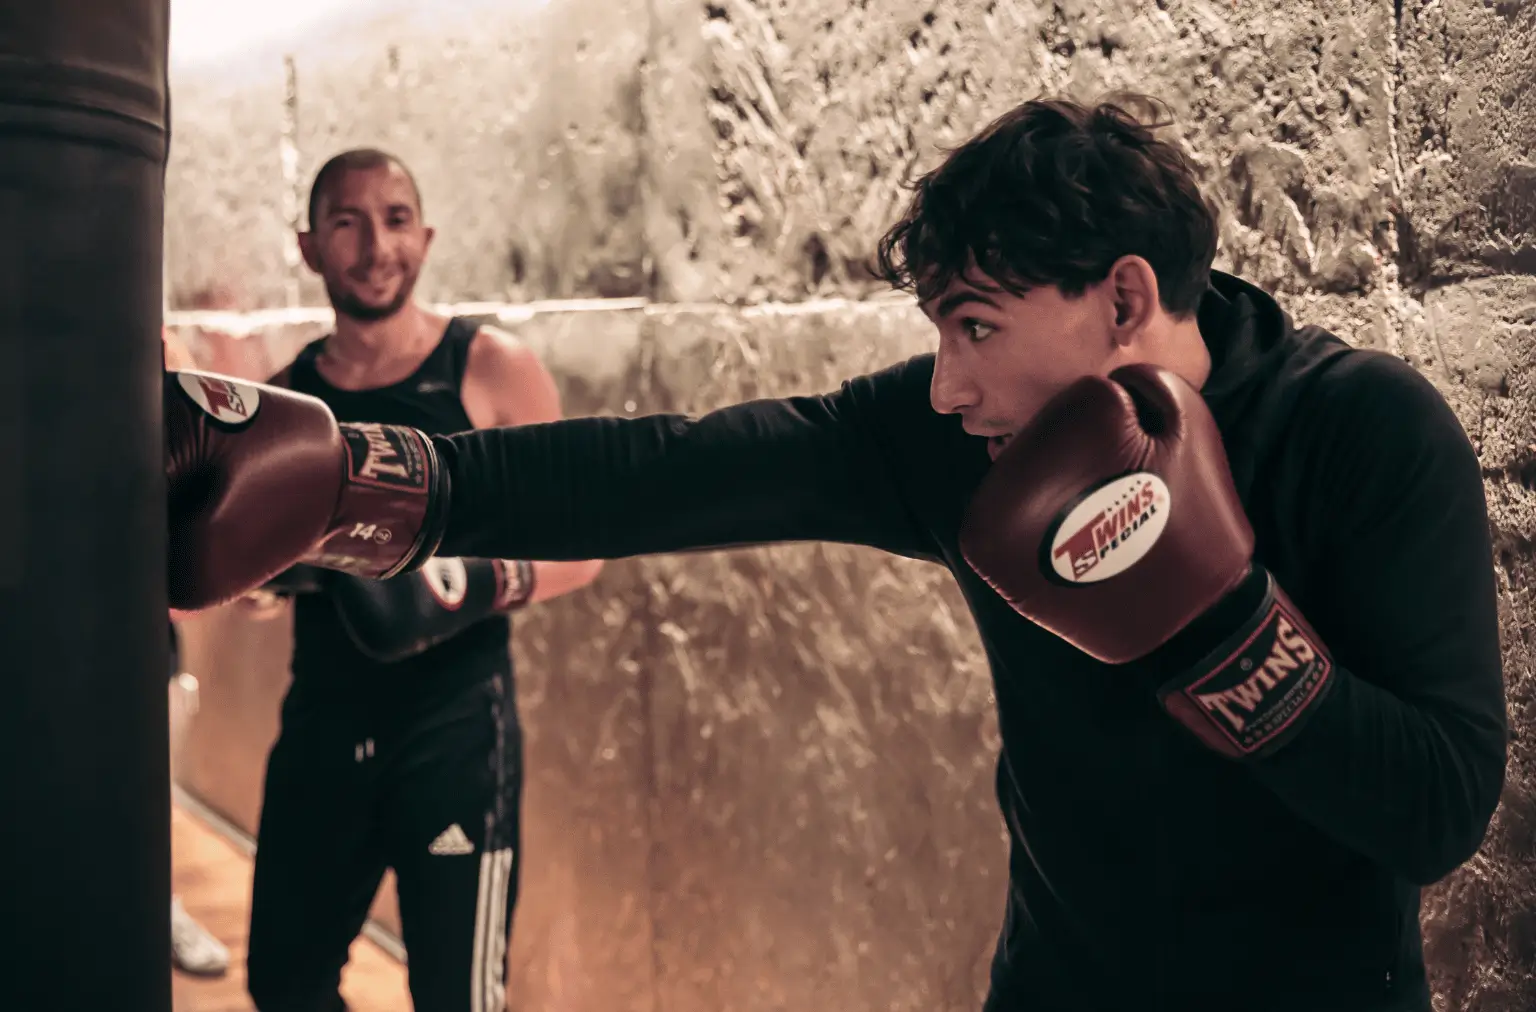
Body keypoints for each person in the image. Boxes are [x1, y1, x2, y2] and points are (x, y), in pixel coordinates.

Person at [163, 96, 1508, 1011]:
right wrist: (372, 478)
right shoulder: (953, 447)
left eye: (975, 326)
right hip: (1056, 982)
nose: (945, 384)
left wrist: (1220, 630)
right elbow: (673, 471)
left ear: (1127, 300)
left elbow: (1441, 810)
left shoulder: (1363, 436)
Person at [229, 149, 604, 1012]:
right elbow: (256, 573)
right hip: (323, 726)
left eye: (395, 219)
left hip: (455, 733)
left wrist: (450, 587)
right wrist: (259, 581)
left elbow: (582, 552)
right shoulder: (287, 405)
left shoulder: (491, 370)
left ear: (425, 237)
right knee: (283, 985)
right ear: (309, 246)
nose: (374, 246)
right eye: (347, 222)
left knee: (458, 998)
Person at [162, 326, 233, 979]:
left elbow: (201, 469)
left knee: (152, 792)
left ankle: (158, 904)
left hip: (133, 634)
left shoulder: (152, 345)